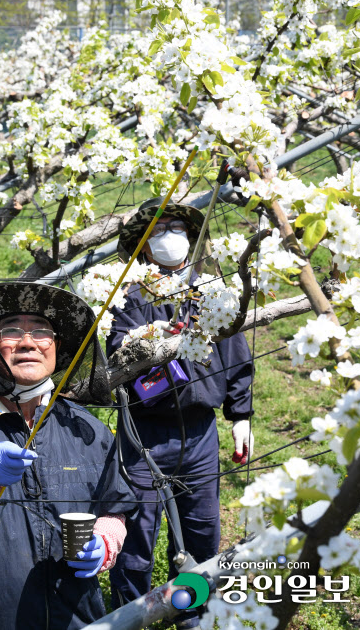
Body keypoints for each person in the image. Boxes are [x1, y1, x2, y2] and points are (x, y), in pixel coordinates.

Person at [0, 282, 137, 630]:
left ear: (57, 347)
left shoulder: (85, 428)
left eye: (42, 332)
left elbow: (114, 507)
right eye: (11, 330)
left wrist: (105, 542)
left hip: (77, 619)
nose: (28, 342)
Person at [107, 199, 254, 630]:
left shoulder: (212, 290)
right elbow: (117, 355)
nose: (169, 235)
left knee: (202, 533)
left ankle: (196, 619)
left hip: (200, 431)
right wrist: (151, 339)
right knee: (135, 537)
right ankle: (129, 618)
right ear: (142, 245)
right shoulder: (128, 294)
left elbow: (235, 351)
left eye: (177, 227)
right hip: (143, 432)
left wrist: (240, 413)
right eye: (158, 229)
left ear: (191, 237)